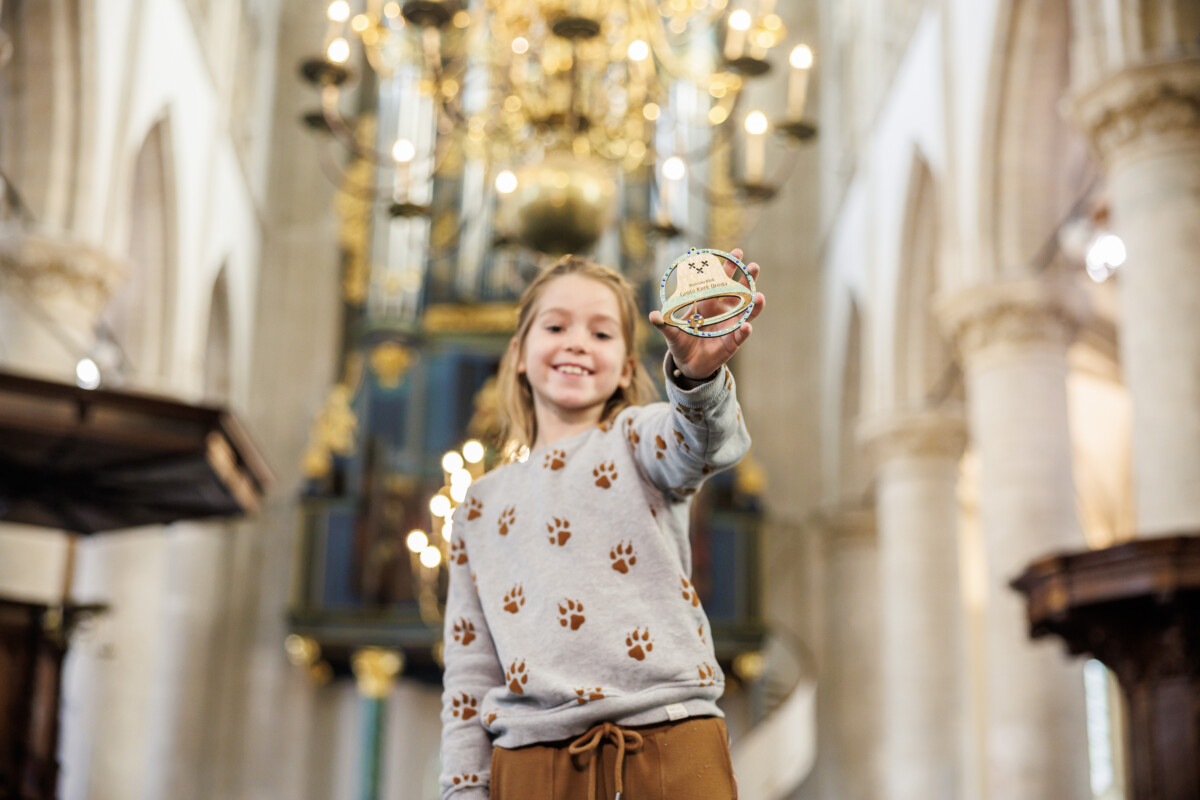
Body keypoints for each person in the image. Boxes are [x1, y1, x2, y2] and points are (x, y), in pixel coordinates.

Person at [439, 250, 765, 799]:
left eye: (602, 333)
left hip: (670, 744)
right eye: (556, 325)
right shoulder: (479, 504)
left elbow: (704, 443)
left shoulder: (639, 439)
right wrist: (462, 790)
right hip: (530, 764)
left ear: (627, 367)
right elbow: (470, 668)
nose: (577, 342)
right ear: (519, 354)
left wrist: (698, 377)